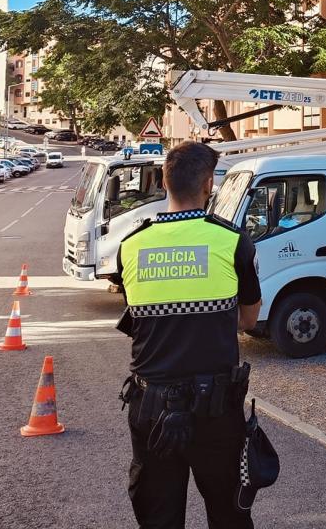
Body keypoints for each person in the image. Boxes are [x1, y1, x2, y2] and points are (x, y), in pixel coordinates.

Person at [114, 141, 262, 529]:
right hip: (215, 408)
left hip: (151, 407)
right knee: (229, 513)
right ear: (209, 184)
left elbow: (143, 315)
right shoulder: (231, 241)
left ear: (165, 183)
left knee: (157, 515)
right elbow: (248, 320)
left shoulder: (131, 245)